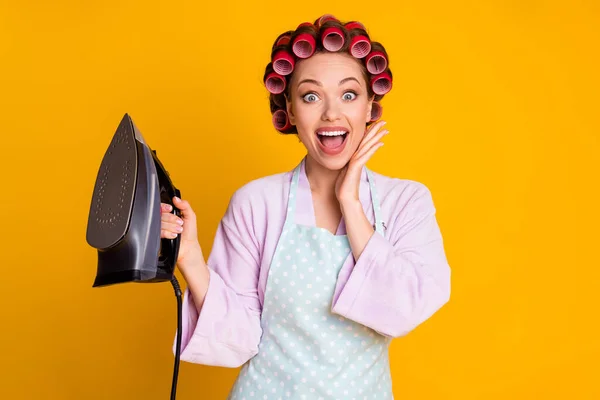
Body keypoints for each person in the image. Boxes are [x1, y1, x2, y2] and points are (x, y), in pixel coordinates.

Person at [161, 14, 451, 399]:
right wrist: (192, 258)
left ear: (369, 107)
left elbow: (405, 308)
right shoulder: (256, 202)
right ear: (291, 110)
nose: (331, 113)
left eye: (349, 95)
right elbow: (240, 336)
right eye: (311, 96)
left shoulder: (406, 202)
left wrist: (350, 202)